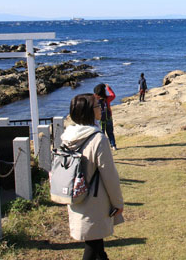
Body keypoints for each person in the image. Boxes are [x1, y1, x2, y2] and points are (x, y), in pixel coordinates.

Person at [61, 93, 124, 260]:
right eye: (97, 105)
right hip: (95, 198)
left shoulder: (67, 136)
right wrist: (118, 203)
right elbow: (109, 175)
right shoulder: (97, 139)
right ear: (89, 111)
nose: (101, 108)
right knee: (92, 246)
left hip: (75, 194)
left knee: (96, 243)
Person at [94, 83, 118, 150]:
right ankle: (113, 145)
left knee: (101, 134)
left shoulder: (96, 100)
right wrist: (109, 89)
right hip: (108, 118)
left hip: (100, 120)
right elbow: (113, 95)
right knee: (110, 133)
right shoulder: (107, 99)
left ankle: (102, 147)